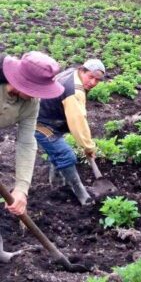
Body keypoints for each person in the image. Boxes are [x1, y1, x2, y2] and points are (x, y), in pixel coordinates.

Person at [0, 51, 64, 262]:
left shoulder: (31, 102)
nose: (40, 95)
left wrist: (21, 188)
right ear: (21, 81)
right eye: (37, 89)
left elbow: (27, 142)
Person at [35, 59, 105, 206]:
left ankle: (57, 185)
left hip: (46, 118)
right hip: (39, 124)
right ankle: (82, 195)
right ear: (82, 70)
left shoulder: (72, 73)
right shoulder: (74, 91)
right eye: (90, 77)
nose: (93, 82)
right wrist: (88, 146)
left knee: (58, 151)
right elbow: (78, 122)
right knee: (66, 155)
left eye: (97, 80)